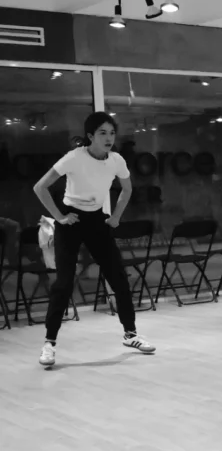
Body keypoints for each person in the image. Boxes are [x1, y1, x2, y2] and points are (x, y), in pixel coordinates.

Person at [32, 111, 155, 367]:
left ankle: (130, 334)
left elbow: (127, 189)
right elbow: (40, 187)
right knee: (64, 283)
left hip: (97, 220)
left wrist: (116, 217)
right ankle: (49, 343)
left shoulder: (116, 160)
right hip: (72, 221)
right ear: (90, 136)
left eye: (112, 133)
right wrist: (60, 217)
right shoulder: (74, 157)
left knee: (119, 277)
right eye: (102, 133)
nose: (109, 138)